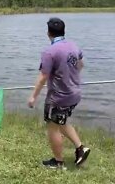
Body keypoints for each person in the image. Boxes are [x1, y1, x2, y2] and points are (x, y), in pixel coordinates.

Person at [27, 17, 90, 170]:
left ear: (48, 33)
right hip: (74, 94)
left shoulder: (49, 52)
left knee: (52, 126)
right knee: (61, 121)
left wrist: (33, 97)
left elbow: (43, 77)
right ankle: (80, 148)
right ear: (63, 31)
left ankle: (58, 162)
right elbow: (80, 65)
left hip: (59, 97)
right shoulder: (73, 45)